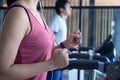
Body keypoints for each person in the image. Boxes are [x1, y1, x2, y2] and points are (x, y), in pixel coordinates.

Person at [0, 0, 82, 80]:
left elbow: (42, 54)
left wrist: (65, 44)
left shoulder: (37, 13)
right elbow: (3, 72)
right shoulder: (19, 13)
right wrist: (51, 64)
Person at [47, 0, 72, 80]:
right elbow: (48, 36)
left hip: (59, 56)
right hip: (54, 57)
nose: (70, 8)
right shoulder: (57, 20)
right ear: (61, 9)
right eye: (68, 6)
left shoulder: (62, 21)